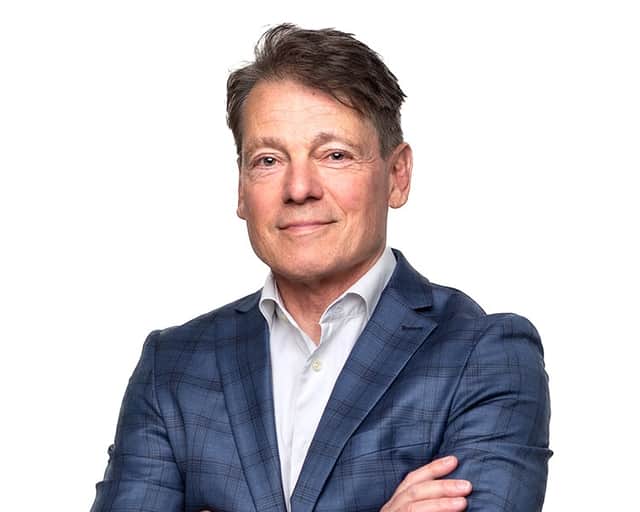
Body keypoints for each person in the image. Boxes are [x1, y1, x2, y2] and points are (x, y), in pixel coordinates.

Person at [90, 23, 551, 512]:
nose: (299, 188)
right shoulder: (173, 366)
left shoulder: (485, 356)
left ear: (397, 176)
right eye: (268, 160)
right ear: (242, 188)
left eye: (334, 155)